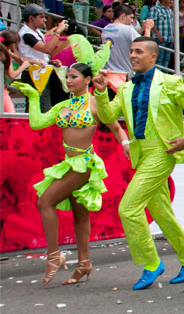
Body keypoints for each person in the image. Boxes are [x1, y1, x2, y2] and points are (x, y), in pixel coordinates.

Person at [93, 37, 184, 290]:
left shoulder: (171, 83)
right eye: (131, 51)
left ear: (153, 57)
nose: (133, 55)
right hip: (140, 153)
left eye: (138, 52)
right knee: (160, 210)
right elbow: (109, 116)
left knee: (128, 208)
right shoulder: (125, 88)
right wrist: (100, 92)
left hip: (161, 151)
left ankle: (151, 263)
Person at [11, 39, 125, 285]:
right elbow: (37, 123)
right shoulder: (63, 105)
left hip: (85, 164)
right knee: (79, 214)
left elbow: (114, 124)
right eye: (67, 76)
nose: (69, 80)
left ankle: (53, 256)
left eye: (74, 76)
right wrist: (32, 96)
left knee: (45, 202)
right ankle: (84, 263)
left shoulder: (94, 103)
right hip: (68, 162)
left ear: (87, 80)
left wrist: (125, 144)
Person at [18, 4, 67, 111]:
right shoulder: (26, 34)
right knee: (39, 108)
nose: (45, 20)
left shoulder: (36, 32)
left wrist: (50, 61)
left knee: (41, 107)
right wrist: (58, 32)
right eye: (41, 17)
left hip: (40, 73)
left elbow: (38, 53)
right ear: (31, 18)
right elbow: (46, 49)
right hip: (33, 74)